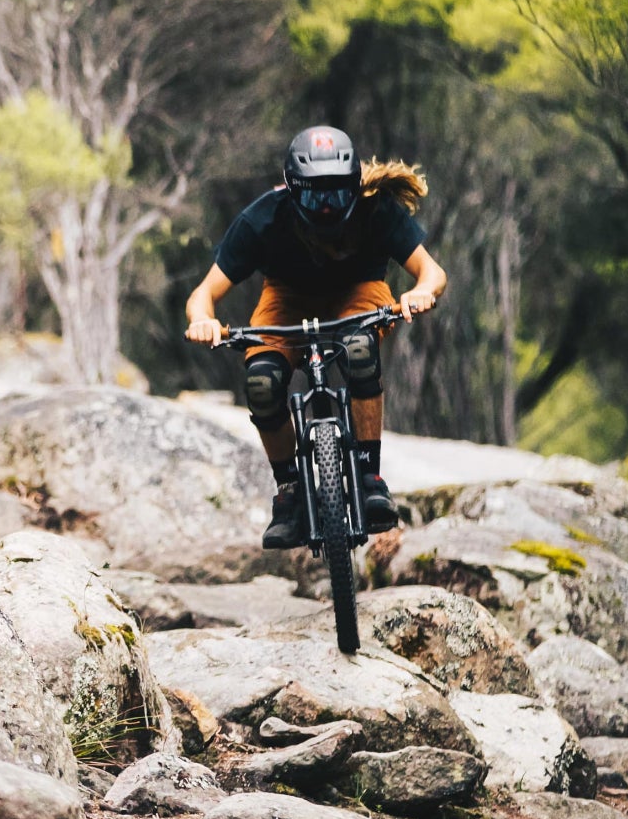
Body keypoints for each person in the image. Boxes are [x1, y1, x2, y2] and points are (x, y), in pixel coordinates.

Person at [184, 126, 448, 549]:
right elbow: (204, 294)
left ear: (354, 185)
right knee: (261, 383)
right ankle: (289, 493)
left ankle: (368, 476)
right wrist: (204, 320)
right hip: (287, 299)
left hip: (358, 292)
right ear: (291, 190)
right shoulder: (264, 217)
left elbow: (432, 272)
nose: (326, 209)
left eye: (337, 195)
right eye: (313, 196)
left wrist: (420, 292)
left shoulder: (376, 208)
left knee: (360, 351)